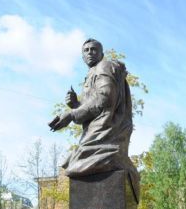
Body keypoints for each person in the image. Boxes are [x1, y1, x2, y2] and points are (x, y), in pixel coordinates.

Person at [48, 38, 137, 191]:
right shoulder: (93, 72)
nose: (90, 52)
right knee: (75, 161)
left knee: (78, 160)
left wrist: (71, 114)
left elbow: (104, 99)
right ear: (82, 56)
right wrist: (76, 105)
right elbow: (94, 108)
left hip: (105, 134)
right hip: (99, 132)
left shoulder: (105, 67)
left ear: (102, 53)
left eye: (94, 49)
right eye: (86, 50)